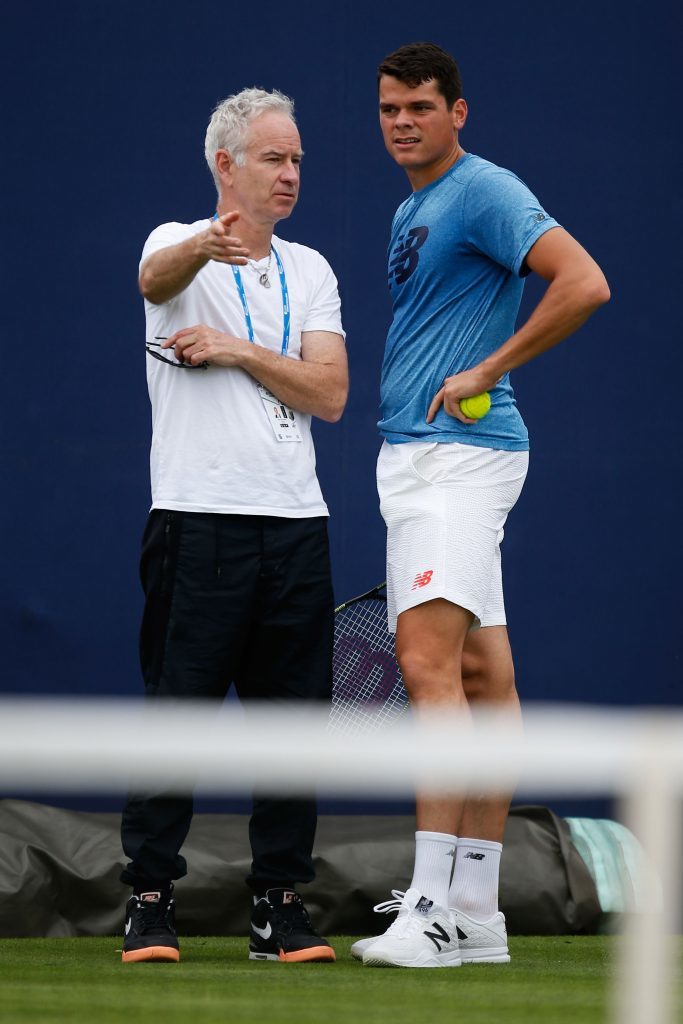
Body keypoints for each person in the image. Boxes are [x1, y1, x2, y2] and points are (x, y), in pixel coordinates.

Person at [354, 42, 610, 969]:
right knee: (478, 678)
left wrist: (487, 370)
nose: (401, 121)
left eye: (419, 106)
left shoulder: (484, 189)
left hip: (455, 459)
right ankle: (476, 909)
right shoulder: (412, 207)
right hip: (426, 460)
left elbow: (582, 281)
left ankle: (426, 908)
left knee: (425, 669)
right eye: (388, 108)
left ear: (458, 111)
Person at [120, 88, 348, 965]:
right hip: (196, 523)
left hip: (297, 527)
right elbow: (153, 281)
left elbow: (328, 393)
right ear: (226, 165)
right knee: (177, 714)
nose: (290, 174)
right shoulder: (169, 248)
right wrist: (202, 249)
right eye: (272, 159)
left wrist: (236, 348)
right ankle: (148, 899)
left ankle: (278, 908)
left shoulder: (313, 268)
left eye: (296, 161)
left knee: (293, 727)